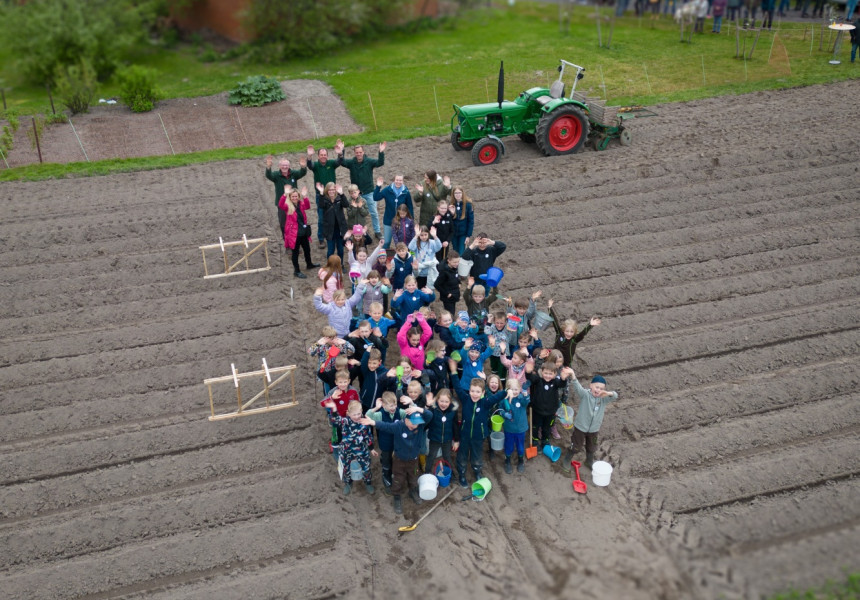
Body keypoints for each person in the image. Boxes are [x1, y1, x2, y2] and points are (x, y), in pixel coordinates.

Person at [360, 404, 431, 514]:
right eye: (413, 422)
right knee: (398, 478)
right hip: (399, 460)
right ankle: (396, 495)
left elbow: (429, 415)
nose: (415, 425)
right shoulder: (398, 426)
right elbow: (385, 426)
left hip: (413, 459)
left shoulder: (420, 426)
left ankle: (413, 490)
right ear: (406, 419)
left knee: (413, 475)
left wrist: (418, 408)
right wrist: (373, 423)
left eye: (417, 423)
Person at [449, 369, 506, 487]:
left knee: (476, 455)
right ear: (469, 391)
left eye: (478, 391)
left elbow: (497, 397)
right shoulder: (465, 399)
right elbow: (458, 387)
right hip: (464, 435)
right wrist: (454, 373)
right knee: (462, 456)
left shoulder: (485, 403)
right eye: (472, 391)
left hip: (478, 436)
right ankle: (462, 474)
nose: (475, 394)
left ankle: (476, 470)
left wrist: (507, 391)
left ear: (483, 392)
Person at [562, 373, 619, 471]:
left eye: (601, 388)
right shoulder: (585, 395)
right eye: (597, 387)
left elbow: (615, 395)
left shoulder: (603, 399)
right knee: (576, 446)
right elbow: (577, 387)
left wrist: (608, 393)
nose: (598, 390)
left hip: (594, 429)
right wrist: (573, 375)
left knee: (592, 446)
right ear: (591, 386)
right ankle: (567, 459)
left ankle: (589, 461)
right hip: (580, 427)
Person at [323, 399, 375, 495]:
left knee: (366, 467)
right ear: (348, 413)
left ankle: (368, 483)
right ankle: (348, 483)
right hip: (346, 451)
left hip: (361, 451)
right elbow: (335, 420)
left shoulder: (364, 423)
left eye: (359, 414)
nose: (356, 416)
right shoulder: (345, 422)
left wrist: (371, 448)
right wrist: (334, 408)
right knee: (346, 468)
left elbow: (368, 436)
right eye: (354, 414)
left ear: (361, 411)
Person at [340, 142, 387, 240]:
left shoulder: (369, 161)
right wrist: (341, 151)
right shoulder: (351, 163)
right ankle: (355, 231)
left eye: (360, 152)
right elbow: (342, 162)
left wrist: (381, 152)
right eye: (357, 152)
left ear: (363, 152)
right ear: (354, 153)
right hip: (356, 194)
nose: (358, 154)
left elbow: (380, 162)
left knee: (373, 212)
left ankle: (377, 231)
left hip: (369, 192)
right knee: (354, 212)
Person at [525, 362, 574, 449]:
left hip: (550, 412)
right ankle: (535, 440)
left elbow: (562, 384)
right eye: (546, 373)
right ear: (542, 372)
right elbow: (531, 378)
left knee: (547, 427)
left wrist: (563, 379)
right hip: (537, 410)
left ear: (555, 374)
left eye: (550, 374)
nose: (547, 376)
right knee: (535, 426)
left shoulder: (555, 382)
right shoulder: (538, 380)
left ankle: (545, 440)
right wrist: (528, 372)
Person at [365, 392, 407, 494]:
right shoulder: (380, 414)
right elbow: (367, 415)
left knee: (396, 460)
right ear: (384, 405)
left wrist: (411, 404)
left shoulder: (399, 412)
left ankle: (394, 473)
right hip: (385, 443)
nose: (394, 407)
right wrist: (376, 407)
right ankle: (386, 476)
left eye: (395, 404)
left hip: (397, 443)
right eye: (391, 405)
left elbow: (410, 414)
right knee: (386, 461)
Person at [307, 141, 343, 248]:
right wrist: (309, 156)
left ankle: (337, 235)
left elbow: (339, 161)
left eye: (325, 155)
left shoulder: (331, 163)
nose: (323, 156)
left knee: (337, 216)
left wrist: (340, 153)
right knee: (321, 218)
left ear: (327, 156)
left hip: (333, 195)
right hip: (321, 196)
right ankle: (321, 238)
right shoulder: (316, 165)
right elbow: (310, 165)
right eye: (321, 155)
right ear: (318, 156)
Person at [278, 186, 319, 279]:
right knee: (295, 253)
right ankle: (296, 271)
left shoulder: (301, 204)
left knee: (307, 249)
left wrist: (305, 196)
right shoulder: (287, 206)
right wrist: (284, 194)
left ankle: (309, 264)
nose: (295, 198)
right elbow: (280, 205)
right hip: (294, 234)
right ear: (290, 197)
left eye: (296, 196)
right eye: (292, 196)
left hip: (303, 231)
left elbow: (308, 206)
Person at [548, 299, 602, 368]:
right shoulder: (559, 333)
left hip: (565, 366)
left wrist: (590, 325)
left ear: (574, 332)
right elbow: (554, 321)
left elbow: (582, 334)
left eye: (571, 332)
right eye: (567, 331)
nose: (569, 334)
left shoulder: (574, 339)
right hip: (553, 363)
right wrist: (549, 308)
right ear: (563, 330)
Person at [265, 155, 307, 242]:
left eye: (286, 165)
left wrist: (303, 167)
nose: (285, 167)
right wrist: (268, 166)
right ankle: (287, 241)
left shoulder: (293, 174)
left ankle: (297, 241)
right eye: (283, 165)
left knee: (296, 222)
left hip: (294, 203)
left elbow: (302, 173)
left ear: (289, 166)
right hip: (282, 205)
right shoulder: (276, 175)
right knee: (284, 224)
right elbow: (269, 175)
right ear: (279, 166)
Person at [423, 389, 460, 474]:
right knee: (431, 456)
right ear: (437, 400)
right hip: (434, 438)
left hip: (447, 439)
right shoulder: (433, 409)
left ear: (450, 401)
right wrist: (427, 407)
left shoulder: (453, 411)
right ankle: (427, 473)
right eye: (441, 401)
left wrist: (456, 440)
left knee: (447, 457)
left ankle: (450, 474)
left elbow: (455, 426)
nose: (443, 404)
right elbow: (426, 421)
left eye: (446, 401)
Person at [373, 174, 413, 249]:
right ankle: (383, 255)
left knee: (401, 242)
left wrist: (411, 219)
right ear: (394, 180)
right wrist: (378, 187)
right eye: (397, 180)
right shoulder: (388, 189)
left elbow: (409, 206)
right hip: (388, 220)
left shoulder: (406, 191)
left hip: (401, 221)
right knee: (387, 241)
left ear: (403, 181)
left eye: (400, 180)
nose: (398, 182)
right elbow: (375, 197)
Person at [500, 379, 530, 474]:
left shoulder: (521, 398)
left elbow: (526, 402)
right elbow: (499, 409)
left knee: (520, 446)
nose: (514, 391)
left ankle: (521, 460)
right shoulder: (505, 400)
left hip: (521, 428)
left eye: (516, 389)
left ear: (520, 389)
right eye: (512, 389)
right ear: (507, 389)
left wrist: (525, 392)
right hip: (509, 428)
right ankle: (507, 460)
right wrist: (504, 414)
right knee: (508, 445)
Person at [318, 182, 349, 260]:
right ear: (326, 191)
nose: (331, 191)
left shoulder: (339, 198)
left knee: (341, 250)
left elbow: (346, 204)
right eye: (329, 190)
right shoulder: (324, 199)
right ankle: (330, 267)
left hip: (340, 230)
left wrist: (342, 193)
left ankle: (341, 265)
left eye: (333, 189)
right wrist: (321, 193)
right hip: (329, 230)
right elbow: (320, 205)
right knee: (330, 251)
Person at [434, 251, 462, 315]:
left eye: (458, 262)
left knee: (453, 311)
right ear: (449, 261)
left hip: (454, 293)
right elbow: (437, 284)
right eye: (454, 262)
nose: (457, 264)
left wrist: (459, 282)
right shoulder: (444, 272)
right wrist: (447, 294)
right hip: (448, 297)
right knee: (450, 313)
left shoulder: (454, 267)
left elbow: (456, 275)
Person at [450, 186, 474, 256]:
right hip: (454, 234)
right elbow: (450, 220)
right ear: (453, 194)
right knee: (455, 252)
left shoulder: (468, 205)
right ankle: (455, 266)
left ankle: (461, 266)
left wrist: (468, 236)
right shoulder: (451, 205)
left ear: (462, 193)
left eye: (459, 193)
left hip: (463, 234)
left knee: (461, 252)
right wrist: (452, 214)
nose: (458, 195)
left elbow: (471, 221)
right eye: (456, 193)